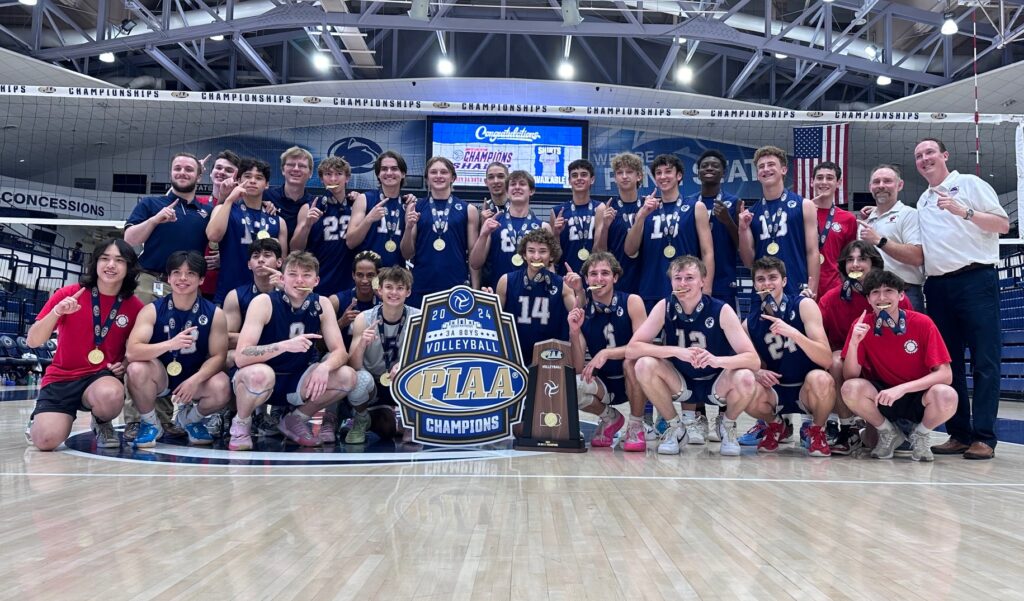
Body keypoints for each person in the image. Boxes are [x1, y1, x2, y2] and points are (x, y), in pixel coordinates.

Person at [914, 138, 1009, 460]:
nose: (925, 159)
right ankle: (958, 433)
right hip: (938, 287)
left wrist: (964, 211)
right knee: (948, 363)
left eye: (929, 153)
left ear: (944, 155)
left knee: (985, 360)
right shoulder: (923, 201)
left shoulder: (969, 183)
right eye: (919, 156)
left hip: (975, 280)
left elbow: (1003, 224)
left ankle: (984, 437)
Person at [230, 251, 372, 450]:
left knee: (347, 376)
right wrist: (284, 346)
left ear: (316, 280)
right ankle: (241, 423)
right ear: (282, 278)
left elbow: (340, 351)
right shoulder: (263, 302)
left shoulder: (321, 303)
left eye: (306, 275)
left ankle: (295, 420)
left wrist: (324, 367)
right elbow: (241, 356)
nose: (299, 280)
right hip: (259, 378)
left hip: (298, 379)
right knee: (260, 374)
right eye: (293, 274)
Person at [625, 256, 759, 456]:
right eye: (677, 278)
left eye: (689, 278)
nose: (683, 283)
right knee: (643, 364)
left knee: (746, 377)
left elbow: (753, 360)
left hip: (716, 382)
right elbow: (632, 349)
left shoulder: (721, 309)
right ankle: (675, 428)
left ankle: (727, 425)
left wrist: (716, 360)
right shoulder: (664, 306)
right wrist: (675, 351)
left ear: (703, 281)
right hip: (680, 382)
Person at [25, 239, 144, 451]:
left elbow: (136, 347)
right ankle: (40, 418)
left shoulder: (134, 306)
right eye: (105, 258)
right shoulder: (69, 294)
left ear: (129, 267)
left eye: (119, 260)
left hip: (100, 377)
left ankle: (101, 421)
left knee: (111, 394)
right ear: (95, 263)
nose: (110, 265)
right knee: (45, 442)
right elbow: (33, 340)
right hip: (62, 377)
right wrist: (57, 312)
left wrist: (124, 363)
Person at [841, 270, 957, 461]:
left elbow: (946, 374)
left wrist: (901, 389)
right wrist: (854, 343)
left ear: (901, 295)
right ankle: (888, 432)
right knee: (850, 388)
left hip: (919, 396)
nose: (882, 297)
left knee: (947, 394)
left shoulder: (922, 323)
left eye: (888, 291)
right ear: (869, 300)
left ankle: (921, 434)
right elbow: (850, 375)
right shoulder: (862, 325)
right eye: (875, 292)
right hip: (883, 396)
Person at [124, 251, 231, 446]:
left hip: (194, 377)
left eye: (190, 273)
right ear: (169, 277)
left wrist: (195, 380)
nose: (182, 278)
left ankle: (189, 419)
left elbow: (218, 356)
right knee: (136, 369)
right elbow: (132, 352)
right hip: (160, 376)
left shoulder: (215, 314)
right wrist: (170, 344)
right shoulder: (152, 310)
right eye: (176, 272)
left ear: (201, 279)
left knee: (222, 384)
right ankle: (150, 423)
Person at [816, 240, 912, 454]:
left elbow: (909, 337)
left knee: (872, 442)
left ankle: (901, 424)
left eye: (862, 259)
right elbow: (818, 338)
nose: (855, 264)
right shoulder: (831, 299)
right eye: (850, 260)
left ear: (875, 264)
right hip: (849, 364)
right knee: (835, 360)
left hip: (884, 361)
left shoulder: (895, 299)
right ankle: (847, 429)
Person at [743, 257, 835, 456]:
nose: (767, 284)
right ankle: (775, 426)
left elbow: (826, 359)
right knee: (744, 383)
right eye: (760, 279)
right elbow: (748, 361)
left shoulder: (804, 306)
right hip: (776, 389)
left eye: (772, 278)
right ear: (754, 284)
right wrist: (756, 371)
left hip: (806, 387)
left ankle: (817, 431)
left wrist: (793, 332)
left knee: (822, 379)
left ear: (784, 281)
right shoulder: (748, 323)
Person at [565, 252, 647, 450]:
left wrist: (607, 353)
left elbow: (644, 347)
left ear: (615, 277)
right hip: (604, 383)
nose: (599, 279)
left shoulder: (632, 301)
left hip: (634, 378)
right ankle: (609, 418)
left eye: (605, 273)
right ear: (586, 280)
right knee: (571, 386)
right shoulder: (583, 311)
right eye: (593, 274)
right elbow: (577, 367)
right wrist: (574, 333)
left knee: (634, 362)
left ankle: (636, 424)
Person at [627, 153, 715, 313]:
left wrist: (706, 289)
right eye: (658, 173)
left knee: (683, 338)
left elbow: (707, 252)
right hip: (651, 289)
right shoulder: (646, 209)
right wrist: (641, 216)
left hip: (686, 290)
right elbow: (630, 250)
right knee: (650, 339)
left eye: (668, 171)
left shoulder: (696, 207)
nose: (663, 176)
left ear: (679, 175)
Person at [345, 265, 421, 444]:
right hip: (374, 384)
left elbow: (426, 360)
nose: (394, 292)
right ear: (379, 290)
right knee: (359, 380)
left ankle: (410, 420)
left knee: (420, 373)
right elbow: (353, 366)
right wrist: (362, 343)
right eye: (389, 287)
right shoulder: (364, 318)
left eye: (400, 288)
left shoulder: (418, 318)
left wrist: (405, 365)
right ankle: (360, 418)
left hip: (403, 381)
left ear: (408, 292)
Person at [124, 152, 212, 304]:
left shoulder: (208, 211)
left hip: (188, 288)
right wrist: (154, 220)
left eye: (189, 169)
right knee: (140, 328)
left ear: (199, 177)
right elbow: (129, 240)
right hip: (150, 284)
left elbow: (224, 197)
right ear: (170, 174)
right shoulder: (150, 204)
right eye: (177, 168)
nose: (182, 173)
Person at [738, 146, 820, 298]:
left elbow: (813, 251)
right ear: (757, 175)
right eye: (761, 166)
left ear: (783, 170)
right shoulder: (752, 213)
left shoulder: (804, 205)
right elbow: (749, 262)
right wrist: (742, 229)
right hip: (764, 290)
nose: (766, 169)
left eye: (771, 164)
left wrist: (812, 290)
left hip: (797, 287)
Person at [207, 157, 289, 305]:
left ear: (267, 185)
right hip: (229, 293)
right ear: (238, 180)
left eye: (259, 178)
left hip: (267, 297)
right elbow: (213, 235)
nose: (252, 181)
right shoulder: (224, 209)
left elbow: (282, 262)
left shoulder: (278, 221)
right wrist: (229, 199)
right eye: (247, 176)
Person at [402, 157, 480, 305]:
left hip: (456, 287)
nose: (438, 176)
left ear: (453, 177)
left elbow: (474, 257)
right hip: (422, 285)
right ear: (427, 178)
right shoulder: (415, 208)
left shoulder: (468, 210)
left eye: (444, 172)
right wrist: (408, 227)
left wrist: (475, 291)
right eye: (433, 172)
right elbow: (407, 253)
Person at [495, 228, 577, 365]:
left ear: (551, 256)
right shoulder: (506, 281)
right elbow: (495, 322)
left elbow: (578, 316)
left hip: (550, 358)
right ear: (524, 255)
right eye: (531, 251)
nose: (536, 256)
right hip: (514, 357)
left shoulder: (563, 285)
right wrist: (487, 303)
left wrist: (579, 290)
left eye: (543, 251)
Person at [857, 164, 926, 312]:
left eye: (887, 181)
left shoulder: (909, 215)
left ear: (899, 185)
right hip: (872, 294)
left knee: (911, 335)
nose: (881, 185)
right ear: (870, 187)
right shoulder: (866, 222)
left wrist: (879, 241)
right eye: (876, 182)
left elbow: (917, 257)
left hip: (904, 291)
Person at [291, 156, 358, 295]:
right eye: (328, 174)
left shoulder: (358, 205)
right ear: (322, 179)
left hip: (351, 282)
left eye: (339, 174)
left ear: (347, 178)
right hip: (320, 280)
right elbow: (295, 249)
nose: (333, 179)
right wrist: (307, 225)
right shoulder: (309, 207)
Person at [470, 169, 547, 289]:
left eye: (522, 184)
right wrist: (484, 234)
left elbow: (549, 266)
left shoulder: (543, 227)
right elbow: (475, 264)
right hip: (497, 293)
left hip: (532, 295)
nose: (517, 187)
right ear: (507, 191)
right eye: (512, 184)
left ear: (531, 191)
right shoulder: (493, 223)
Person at [686, 150, 740, 307]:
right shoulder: (688, 204)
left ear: (724, 173)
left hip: (724, 280)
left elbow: (741, 247)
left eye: (715, 166)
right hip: (692, 279)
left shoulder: (734, 202)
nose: (709, 168)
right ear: (698, 173)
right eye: (705, 166)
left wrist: (728, 221)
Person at [346, 150, 415, 268]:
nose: (389, 173)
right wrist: (369, 219)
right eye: (384, 169)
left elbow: (408, 254)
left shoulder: (408, 204)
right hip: (367, 276)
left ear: (403, 173)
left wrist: (409, 227)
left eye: (394, 168)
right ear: (378, 174)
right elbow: (350, 242)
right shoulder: (364, 199)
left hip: (395, 277)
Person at [593, 152, 644, 295]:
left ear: (639, 176)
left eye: (629, 172)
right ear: (615, 178)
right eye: (619, 173)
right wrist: (605, 226)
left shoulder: (648, 206)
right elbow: (599, 253)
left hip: (644, 278)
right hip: (617, 279)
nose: (624, 176)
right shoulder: (605, 208)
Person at [808, 161, 857, 300]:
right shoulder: (799, 213)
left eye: (829, 178)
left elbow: (849, 258)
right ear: (812, 182)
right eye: (819, 178)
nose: (824, 182)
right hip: (803, 287)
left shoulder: (848, 219)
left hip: (834, 289)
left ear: (839, 182)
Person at [198, 150, 242, 301]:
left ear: (238, 178)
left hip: (229, 285)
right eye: (218, 168)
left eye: (229, 170)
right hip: (197, 285)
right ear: (210, 174)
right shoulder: (197, 203)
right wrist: (193, 174)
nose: (222, 172)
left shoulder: (243, 209)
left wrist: (226, 256)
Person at [550, 159, 602, 275]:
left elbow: (600, 250)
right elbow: (554, 257)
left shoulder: (600, 208)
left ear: (592, 179)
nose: (579, 178)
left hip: (594, 275)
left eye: (584, 175)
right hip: (566, 275)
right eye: (574, 175)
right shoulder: (557, 212)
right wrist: (556, 234)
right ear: (569, 181)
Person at [330, 250, 383, 350]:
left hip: (375, 360)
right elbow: (319, 343)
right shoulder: (336, 301)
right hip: (343, 358)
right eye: (360, 275)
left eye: (370, 275)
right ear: (353, 275)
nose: (364, 280)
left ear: (378, 275)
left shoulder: (386, 301)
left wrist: (384, 301)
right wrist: (341, 323)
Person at [263, 146, 316, 236]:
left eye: (302, 166)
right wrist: (260, 204)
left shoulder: (314, 204)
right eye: (291, 165)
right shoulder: (266, 196)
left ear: (310, 173)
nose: (296, 169)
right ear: (283, 170)